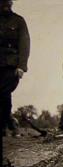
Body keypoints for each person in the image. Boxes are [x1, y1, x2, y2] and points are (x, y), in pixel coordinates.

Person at [0, 0, 30, 137]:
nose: (6, 4)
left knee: (5, 93)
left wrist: (22, 66)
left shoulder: (18, 21)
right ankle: (10, 123)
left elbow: (24, 44)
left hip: (10, 64)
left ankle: (6, 125)